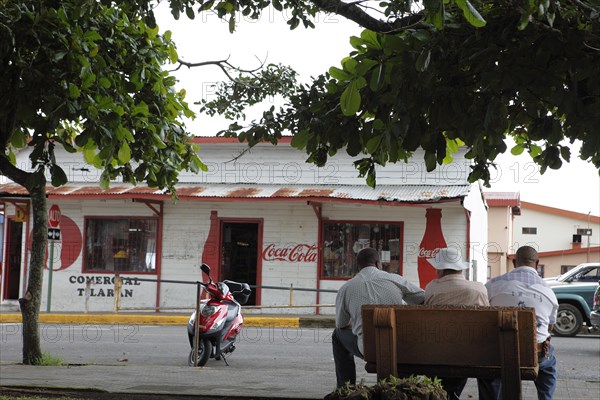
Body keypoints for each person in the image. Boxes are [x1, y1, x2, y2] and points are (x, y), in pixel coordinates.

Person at [332, 247, 425, 388]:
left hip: (368, 350)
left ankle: (345, 388)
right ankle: (403, 386)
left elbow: (341, 324)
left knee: (337, 335)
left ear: (359, 265)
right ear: (377, 263)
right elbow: (422, 299)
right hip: (397, 347)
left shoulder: (346, 288)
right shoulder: (395, 279)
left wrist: (356, 324)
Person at [478, 246, 559, 400]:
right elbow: (550, 327)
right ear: (537, 263)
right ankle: (546, 397)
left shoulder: (492, 285)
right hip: (535, 355)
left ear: (515, 262)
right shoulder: (549, 292)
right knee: (549, 363)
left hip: (499, 354)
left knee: (488, 369)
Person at [424, 247, 490, 400]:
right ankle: (450, 394)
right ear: (461, 269)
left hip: (436, 354)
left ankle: (446, 394)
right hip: (471, 355)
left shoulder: (432, 289)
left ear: (440, 270)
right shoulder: (479, 289)